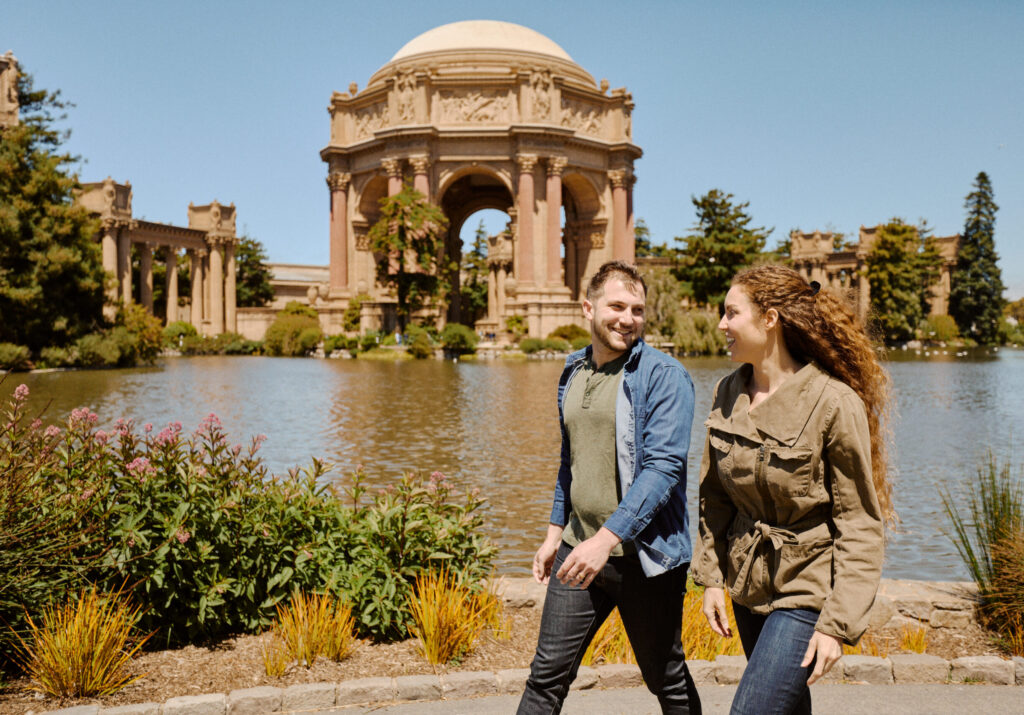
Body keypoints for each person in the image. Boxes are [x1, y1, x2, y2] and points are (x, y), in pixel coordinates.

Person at [692, 264, 893, 715]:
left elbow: (860, 523)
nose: (722, 324)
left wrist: (837, 623)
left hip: (807, 588)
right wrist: (711, 579)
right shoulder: (728, 391)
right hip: (748, 584)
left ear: (770, 318)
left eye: (731, 313)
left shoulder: (832, 402)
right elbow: (714, 497)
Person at [518, 260, 702, 714]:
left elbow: (663, 470)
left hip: (644, 557)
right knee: (546, 678)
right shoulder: (573, 372)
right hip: (579, 551)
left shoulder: (663, 376)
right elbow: (572, 461)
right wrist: (553, 533)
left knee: (667, 678)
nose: (628, 318)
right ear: (588, 307)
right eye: (617, 306)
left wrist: (607, 539)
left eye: (637, 309)